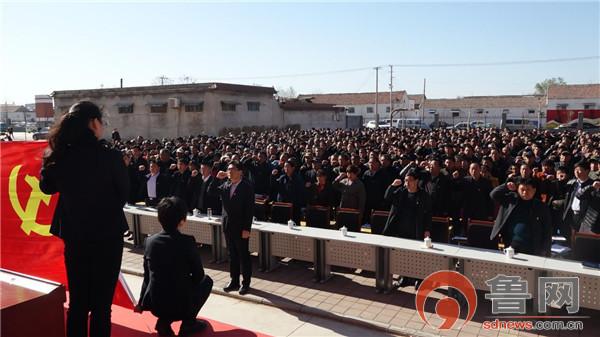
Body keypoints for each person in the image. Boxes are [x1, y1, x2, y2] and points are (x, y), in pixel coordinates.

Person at [39, 101, 130, 337]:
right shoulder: (109, 156)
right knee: (102, 308)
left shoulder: (61, 156)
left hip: (76, 236)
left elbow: (46, 187)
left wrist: (51, 156)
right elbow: (123, 194)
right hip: (108, 237)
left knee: (78, 305)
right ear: (93, 123)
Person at [136, 197, 213, 337]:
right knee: (207, 281)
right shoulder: (187, 242)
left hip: (156, 304)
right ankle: (189, 323)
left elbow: (147, 276)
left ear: (159, 219)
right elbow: (199, 276)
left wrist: (141, 302)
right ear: (182, 221)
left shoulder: (149, 242)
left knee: (166, 285)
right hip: (181, 306)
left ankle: (164, 322)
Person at [207, 161, 254, 295]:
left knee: (243, 255)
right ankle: (234, 280)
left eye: (233, 169)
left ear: (240, 172)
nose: (230, 171)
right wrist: (217, 178)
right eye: (228, 169)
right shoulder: (226, 185)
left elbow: (249, 210)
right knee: (232, 255)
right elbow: (210, 191)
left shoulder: (246, 187)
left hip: (241, 227)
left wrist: (247, 228)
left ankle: (246, 283)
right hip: (228, 226)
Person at [382, 169, 432, 288]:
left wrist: (427, 229)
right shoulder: (401, 192)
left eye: (410, 180)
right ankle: (404, 277)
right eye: (405, 180)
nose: (407, 183)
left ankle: (418, 280)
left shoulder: (423, 195)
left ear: (417, 181)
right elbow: (387, 198)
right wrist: (392, 186)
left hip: (416, 229)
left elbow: (428, 214)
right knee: (403, 255)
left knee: (417, 255)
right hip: (401, 228)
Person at [489, 178, 552, 256]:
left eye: (528, 189)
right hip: (511, 243)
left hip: (532, 245)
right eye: (522, 189)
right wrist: (506, 186)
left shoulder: (541, 207)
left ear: (534, 190)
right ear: (518, 189)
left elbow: (547, 230)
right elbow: (493, 195)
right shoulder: (511, 199)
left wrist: (545, 249)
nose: (525, 192)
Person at [332, 164, 367, 230]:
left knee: (352, 228)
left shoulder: (360, 184)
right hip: (343, 209)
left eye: (351, 173)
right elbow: (334, 186)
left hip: (354, 210)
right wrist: (339, 177)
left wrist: (360, 213)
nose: (349, 175)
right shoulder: (344, 181)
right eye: (348, 173)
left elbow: (362, 200)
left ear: (355, 174)